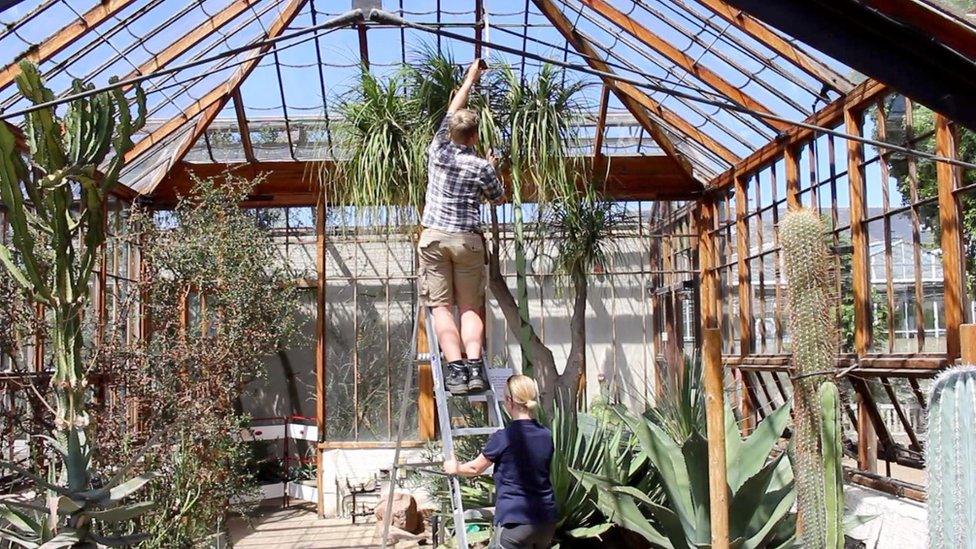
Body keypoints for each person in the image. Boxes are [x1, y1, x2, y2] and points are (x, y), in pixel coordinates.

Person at [420, 58, 504, 396]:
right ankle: (474, 369)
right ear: (475, 136)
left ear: (452, 130)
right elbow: (497, 198)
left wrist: (469, 79)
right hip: (468, 242)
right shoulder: (481, 165)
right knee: (470, 308)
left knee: (442, 307)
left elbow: (453, 108)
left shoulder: (438, 148)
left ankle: (454, 371)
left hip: (435, 238)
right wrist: (493, 167)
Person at [444, 375, 558, 548]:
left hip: (515, 521)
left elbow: (475, 468)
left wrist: (456, 467)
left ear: (509, 401)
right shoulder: (546, 435)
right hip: (545, 521)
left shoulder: (504, 437)